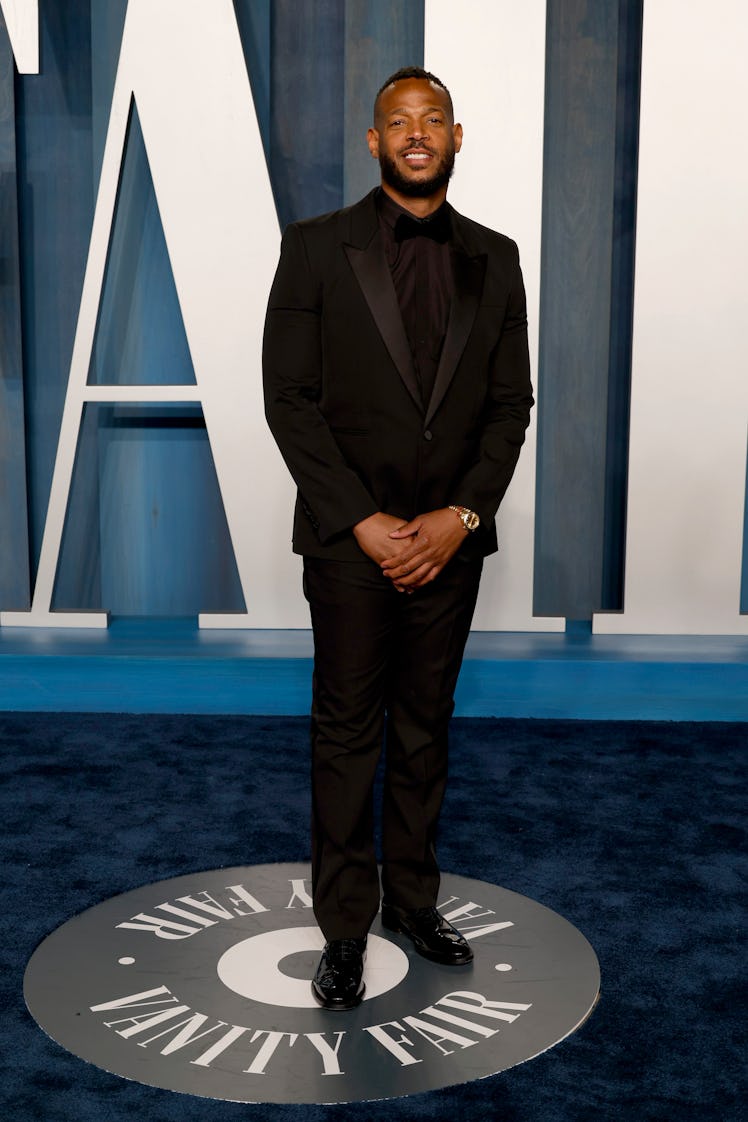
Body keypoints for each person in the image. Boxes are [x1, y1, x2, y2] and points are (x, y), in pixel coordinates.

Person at [263, 66, 533, 1010]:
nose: (415, 134)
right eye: (396, 122)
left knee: (424, 732)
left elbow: (510, 406)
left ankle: (412, 901)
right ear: (373, 142)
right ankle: (343, 930)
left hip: (449, 544)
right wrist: (364, 522)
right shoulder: (312, 250)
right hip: (349, 546)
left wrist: (459, 519)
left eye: (432, 120)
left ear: (456, 137)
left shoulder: (498, 259)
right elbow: (288, 401)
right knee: (347, 735)